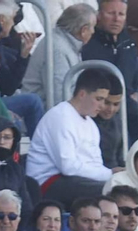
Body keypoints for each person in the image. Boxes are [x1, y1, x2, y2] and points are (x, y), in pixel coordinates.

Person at [26, 68, 118, 206]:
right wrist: (110, 174)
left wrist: (112, 176)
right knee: (108, 192)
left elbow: (95, 164)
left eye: (104, 100)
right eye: (98, 99)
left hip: (73, 181)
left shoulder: (91, 125)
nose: (102, 105)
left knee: (122, 190)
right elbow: (68, 167)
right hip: (47, 182)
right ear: (82, 94)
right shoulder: (60, 116)